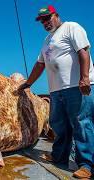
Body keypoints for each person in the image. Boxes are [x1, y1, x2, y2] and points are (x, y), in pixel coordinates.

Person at [17, 5, 94, 179]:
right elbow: (40, 65)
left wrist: (84, 78)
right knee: (58, 124)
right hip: (56, 91)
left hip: (76, 86)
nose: (45, 22)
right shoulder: (47, 40)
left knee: (81, 124)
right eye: (42, 20)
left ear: (56, 15)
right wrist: (28, 83)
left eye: (48, 17)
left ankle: (87, 165)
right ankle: (59, 156)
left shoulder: (71, 27)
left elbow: (83, 52)